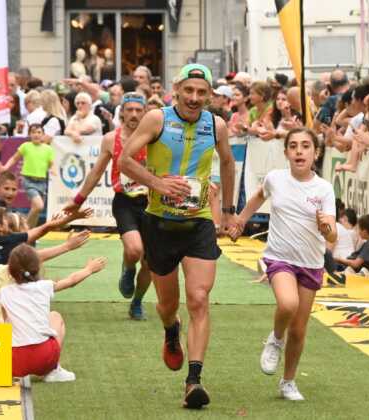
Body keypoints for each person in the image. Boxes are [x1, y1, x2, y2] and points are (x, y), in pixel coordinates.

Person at [118, 63, 236, 409]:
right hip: (160, 224)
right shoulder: (157, 119)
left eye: (201, 93)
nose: (194, 98)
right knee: (167, 305)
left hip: (198, 223)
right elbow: (126, 160)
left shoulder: (216, 125)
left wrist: (229, 211)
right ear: (177, 90)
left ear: (209, 95)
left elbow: (228, 163)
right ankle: (171, 330)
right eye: (189, 91)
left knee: (199, 298)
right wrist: (158, 184)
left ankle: (193, 381)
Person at [230, 127, 336, 401]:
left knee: (298, 330)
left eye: (306, 146)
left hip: (311, 263)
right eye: (294, 146)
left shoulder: (324, 189)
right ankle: (276, 339)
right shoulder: (275, 178)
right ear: (286, 152)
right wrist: (241, 219)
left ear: (316, 153)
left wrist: (326, 228)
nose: (299, 151)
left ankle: (288, 381)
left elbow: (332, 235)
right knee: (288, 304)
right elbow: (258, 196)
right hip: (280, 258)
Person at [64, 92, 152, 320]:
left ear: (145, 112)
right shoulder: (111, 139)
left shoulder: (155, 137)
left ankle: (137, 302)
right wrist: (78, 201)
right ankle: (128, 267)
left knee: (150, 262)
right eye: (129, 110)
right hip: (125, 202)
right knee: (135, 250)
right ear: (122, 112)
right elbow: (96, 172)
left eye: (138, 110)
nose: (134, 114)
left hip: (153, 203)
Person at [0, 244, 107, 382]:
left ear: (10, 270)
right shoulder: (45, 286)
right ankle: (53, 370)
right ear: (38, 267)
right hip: (43, 358)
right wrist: (89, 269)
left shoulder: (4, 292)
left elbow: (3, 323)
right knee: (55, 316)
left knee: (4, 323)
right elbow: (71, 281)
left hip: (13, 361)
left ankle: (7, 372)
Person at [0, 205, 91, 267]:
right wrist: (67, 245)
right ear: (0, 227)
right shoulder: (9, 241)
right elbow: (42, 233)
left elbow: (43, 229)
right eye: (4, 218)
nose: (28, 226)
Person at [0, 124, 54, 227]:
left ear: (43, 135)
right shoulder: (26, 146)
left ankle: (30, 232)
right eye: (33, 132)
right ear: (29, 134)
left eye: (39, 132)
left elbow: (51, 163)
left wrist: (53, 170)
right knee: (39, 206)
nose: (36, 135)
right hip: (29, 181)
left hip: (42, 182)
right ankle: (24, 227)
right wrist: (5, 167)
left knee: (36, 210)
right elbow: (14, 158)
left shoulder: (48, 149)